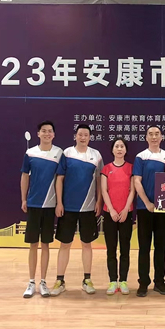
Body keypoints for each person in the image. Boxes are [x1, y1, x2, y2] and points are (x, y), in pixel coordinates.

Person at [50, 124, 103, 297]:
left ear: (90, 137)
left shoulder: (96, 155)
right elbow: (59, 179)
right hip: (68, 207)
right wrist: (59, 203)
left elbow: (100, 181)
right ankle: (60, 281)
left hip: (88, 207)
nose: (83, 137)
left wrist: (99, 201)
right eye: (80, 134)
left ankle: (87, 280)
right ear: (76, 136)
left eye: (86, 135)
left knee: (87, 244)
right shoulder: (67, 153)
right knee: (65, 244)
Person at [20, 121, 63, 298]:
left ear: (54, 134)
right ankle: (31, 282)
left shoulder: (59, 153)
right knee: (33, 244)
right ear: (38, 134)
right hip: (34, 204)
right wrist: (24, 199)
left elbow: (60, 179)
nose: (47, 134)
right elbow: (24, 176)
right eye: (43, 131)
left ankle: (43, 282)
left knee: (45, 244)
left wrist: (59, 202)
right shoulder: (30, 153)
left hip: (50, 205)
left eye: (50, 131)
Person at [133, 125, 165, 297]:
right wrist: (147, 202)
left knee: (161, 247)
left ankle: (159, 281)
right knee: (144, 247)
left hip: (163, 209)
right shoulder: (141, 157)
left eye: (157, 134)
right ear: (146, 137)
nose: (154, 137)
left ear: (161, 137)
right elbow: (137, 181)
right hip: (144, 208)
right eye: (151, 134)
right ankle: (143, 282)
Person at [101, 137, 135, 295]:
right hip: (110, 214)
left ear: (126, 150)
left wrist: (126, 209)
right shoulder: (106, 169)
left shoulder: (131, 168)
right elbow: (104, 191)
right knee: (111, 249)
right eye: (117, 146)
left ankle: (123, 281)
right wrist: (112, 210)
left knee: (125, 249)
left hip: (126, 214)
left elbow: (132, 191)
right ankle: (113, 281)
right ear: (112, 150)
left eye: (122, 146)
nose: (119, 149)